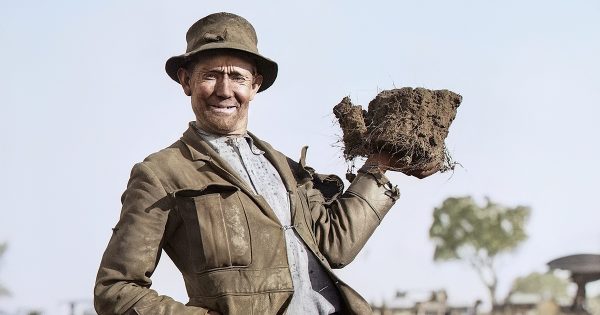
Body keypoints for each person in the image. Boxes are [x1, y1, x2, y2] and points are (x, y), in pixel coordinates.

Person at [94, 12, 439, 315]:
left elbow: (335, 246)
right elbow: (116, 290)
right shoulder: (162, 174)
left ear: (255, 84)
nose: (224, 90)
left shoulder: (284, 168)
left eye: (238, 77)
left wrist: (378, 166)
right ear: (187, 81)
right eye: (211, 76)